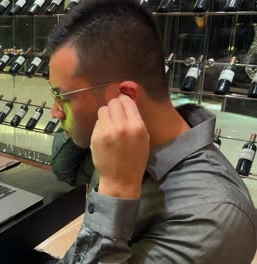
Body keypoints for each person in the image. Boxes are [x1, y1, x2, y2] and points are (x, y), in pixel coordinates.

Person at [40, 0, 257, 263]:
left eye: (63, 96)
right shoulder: (123, 144)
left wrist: (115, 191)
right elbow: (65, 170)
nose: (54, 111)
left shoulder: (211, 219)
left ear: (126, 97)